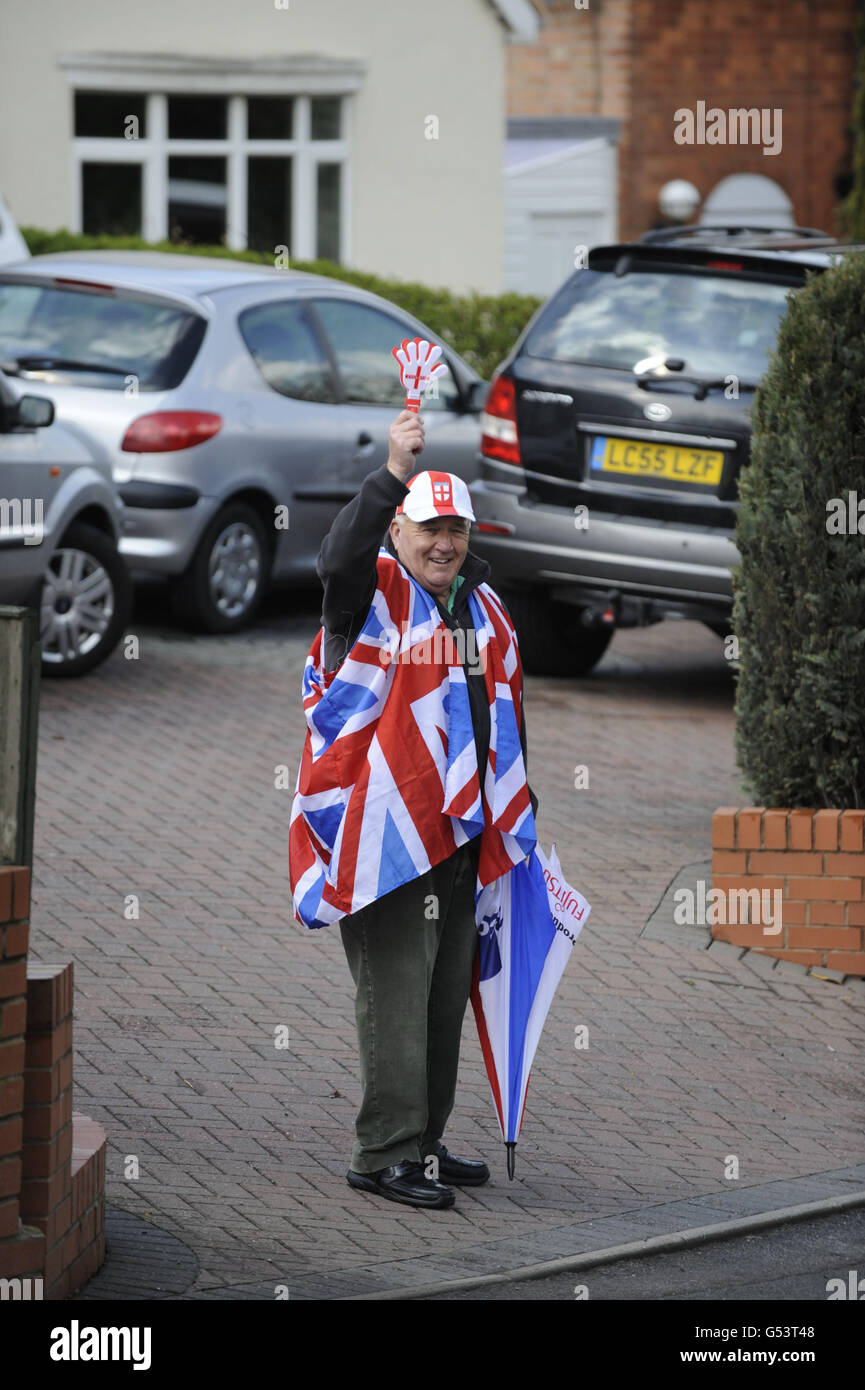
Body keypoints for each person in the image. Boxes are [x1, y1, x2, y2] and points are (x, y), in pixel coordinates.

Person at [289, 408, 538, 1210]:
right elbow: (337, 557)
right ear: (399, 529)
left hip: (460, 833)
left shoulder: (479, 606)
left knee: (440, 997)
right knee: (396, 991)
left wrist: (517, 815)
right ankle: (382, 1152)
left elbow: (501, 716)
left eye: (455, 529)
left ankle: (422, 1141)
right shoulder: (367, 598)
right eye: (428, 527)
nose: (443, 543)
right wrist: (392, 471)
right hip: (382, 833)